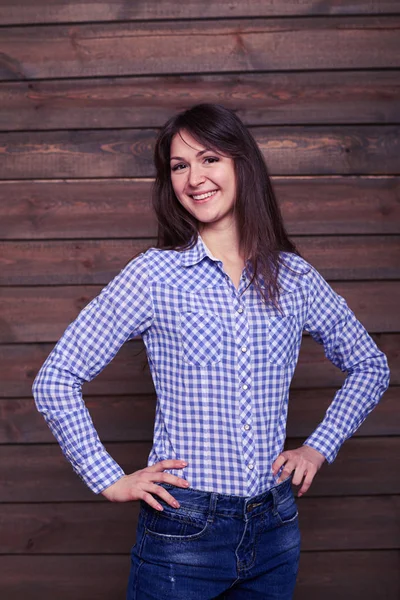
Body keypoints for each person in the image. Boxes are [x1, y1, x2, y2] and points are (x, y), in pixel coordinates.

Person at [32, 103, 390, 600]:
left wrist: (318, 446)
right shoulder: (153, 276)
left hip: (276, 527)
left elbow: (370, 366)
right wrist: (108, 478)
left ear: (242, 164)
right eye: (179, 166)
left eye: (209, 159)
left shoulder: (295, 278)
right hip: (184, 530)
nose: (193, 178)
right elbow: (56, 378)